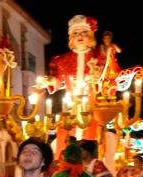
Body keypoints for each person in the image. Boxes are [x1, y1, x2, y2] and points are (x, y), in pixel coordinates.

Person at [40, 15, 105, 157]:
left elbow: (106, 79)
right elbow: (57, 80)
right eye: (75, 33)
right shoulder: (63, 60)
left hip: (92, 111)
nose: (79, 36)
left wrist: (98, 76)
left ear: (91, 36)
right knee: (64, 142)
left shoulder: (99, 57)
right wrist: (49, 81)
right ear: (70, 38)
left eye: (84, 32)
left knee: (91, 145)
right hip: (69, 111)